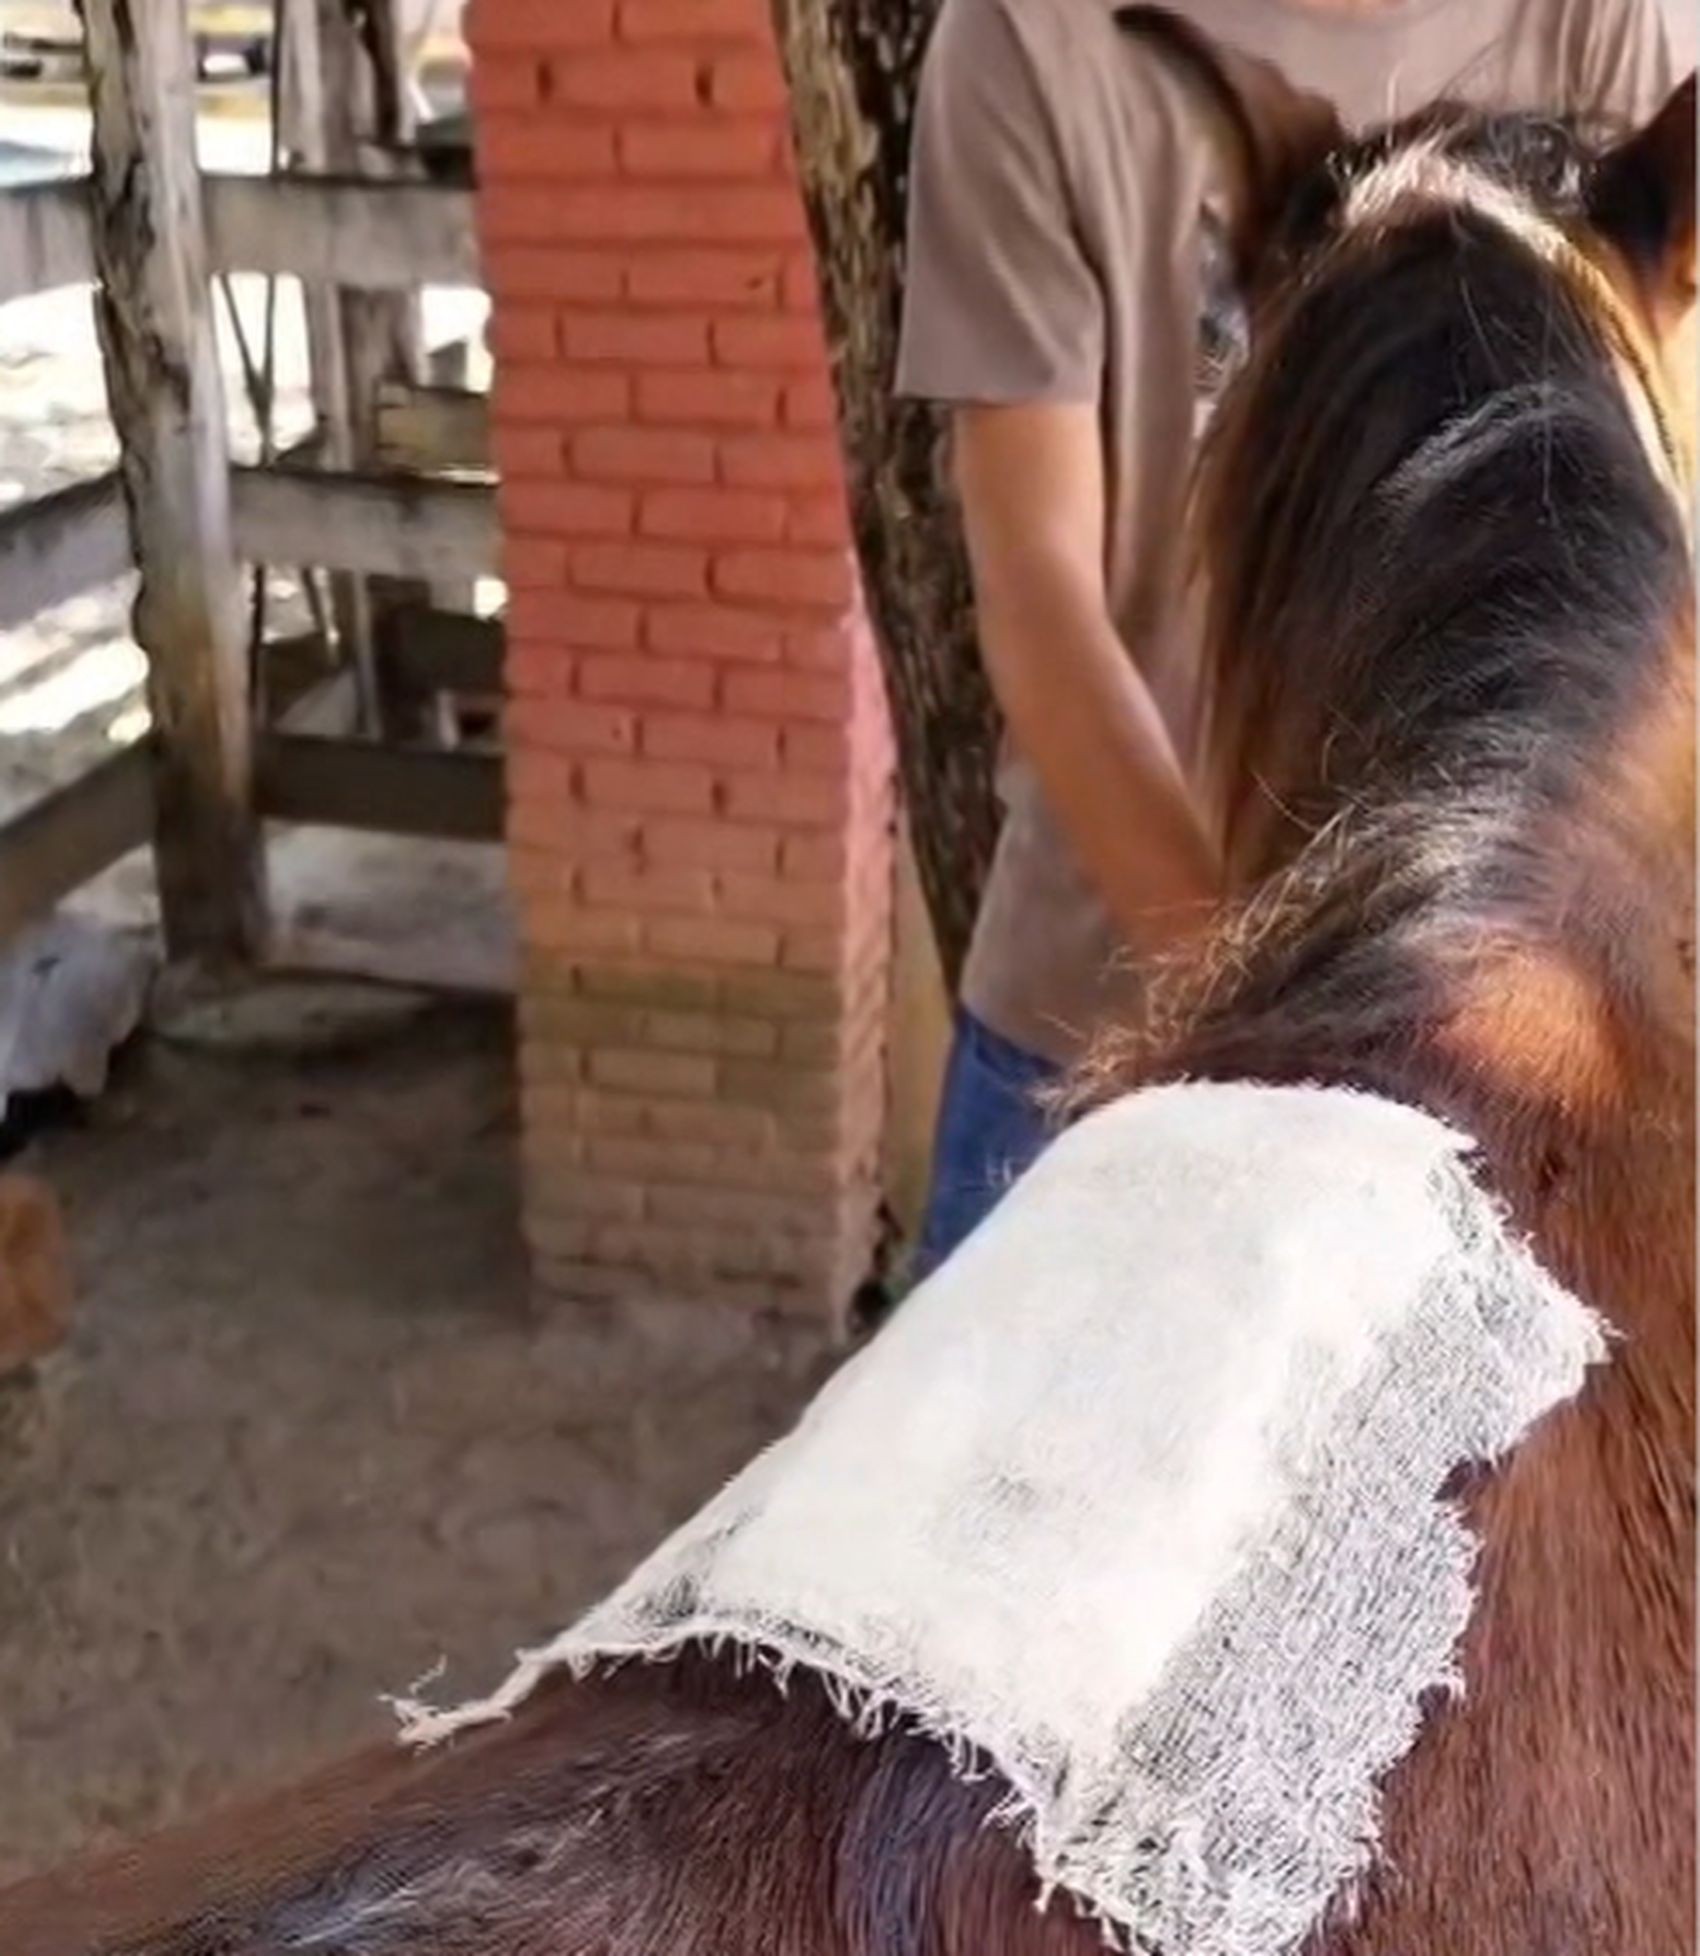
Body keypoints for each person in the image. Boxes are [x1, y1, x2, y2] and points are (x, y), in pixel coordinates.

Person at [896, 0, 1675, 1273]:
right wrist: (1286, 1045)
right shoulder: (1031, 39)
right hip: (1113, 1012)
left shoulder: (1603, 25)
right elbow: (1039, 592)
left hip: (1523, 1077)